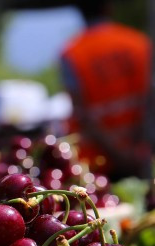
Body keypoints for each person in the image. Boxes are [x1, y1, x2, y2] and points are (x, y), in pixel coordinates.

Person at [60, 0, 151, 180]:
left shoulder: (72, 53)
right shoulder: (139, 43)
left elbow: (82, 114)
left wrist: (119, 153)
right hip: (141, 155)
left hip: (98, 166)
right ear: (108, 7)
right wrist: (133, 151)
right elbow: (149, 100)